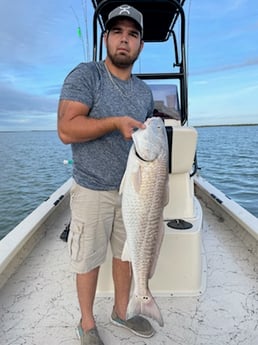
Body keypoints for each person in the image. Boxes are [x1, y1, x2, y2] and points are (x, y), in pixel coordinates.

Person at [58, 4, 154, 345]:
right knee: (87, 258)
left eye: (133, 34)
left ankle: (121, 311)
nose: (124, 40)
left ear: (140, 45)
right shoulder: (86, 76)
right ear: (106, 39)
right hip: (92, 188)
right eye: (117, 32)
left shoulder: (144, 93)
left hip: (133, 194)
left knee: (127, 255)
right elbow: (67, 129)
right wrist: (114, 122)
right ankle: (87, 323)